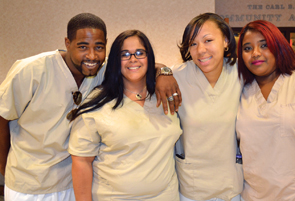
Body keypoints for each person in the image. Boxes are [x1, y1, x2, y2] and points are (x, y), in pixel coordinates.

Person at [0, 13, 180, 200]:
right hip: (30, 184)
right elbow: (2, 117)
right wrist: (4, 168)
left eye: (99, 47)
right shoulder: (30, 70)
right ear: (67, 43)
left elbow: (137, 63)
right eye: (82, 46)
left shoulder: (100, 69)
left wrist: (165, 71)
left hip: (72, 182)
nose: (92, 55)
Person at [68, 30, 182, 200]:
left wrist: (164, 71)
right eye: (125, 54)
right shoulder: (97, 104)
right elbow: (82, 162)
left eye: (139, 53)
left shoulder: (165, 95)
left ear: (149, 58)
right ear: (115, 62)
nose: (133, 59)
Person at [236, 20, 295, 200]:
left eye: (264, 45)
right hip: (254, 195)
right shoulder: (239, 90)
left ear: (278, 47)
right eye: (247, 48)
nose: (255, 53)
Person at [171, 13, 243, 201]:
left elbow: (275, 76)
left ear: (226, 41)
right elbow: (147, 72)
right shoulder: (177, 76)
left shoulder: (241, 73)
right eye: (193, 44)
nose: (200, 50)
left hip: (232, 186)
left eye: (208, 40)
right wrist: (161, 71)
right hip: (191, 188)